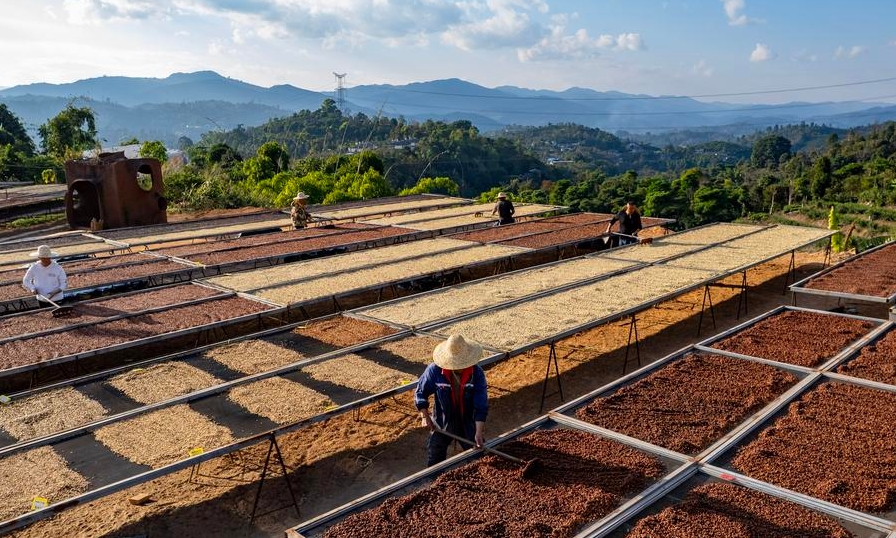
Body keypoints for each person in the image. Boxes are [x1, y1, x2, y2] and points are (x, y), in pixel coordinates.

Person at [415, 334, 488, 466]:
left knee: (479, 456)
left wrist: (478, 432)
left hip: (468, 420)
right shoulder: (435, 371)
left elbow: (480, 404)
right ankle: (434, 481)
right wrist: (425, 416)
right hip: (443, 421)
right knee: (435, 456)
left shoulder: (476, 374)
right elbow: (421, 392)